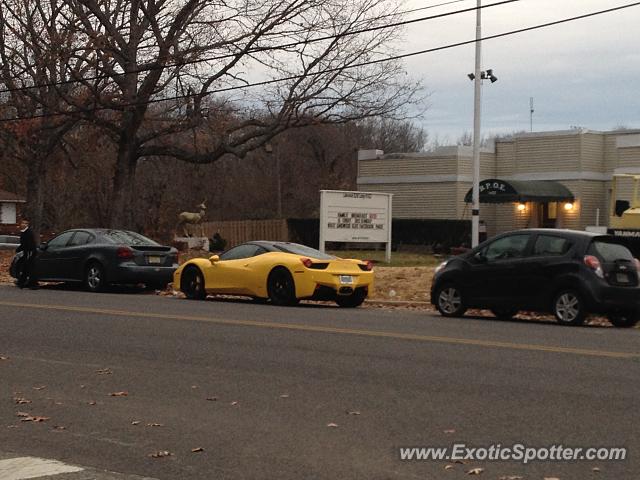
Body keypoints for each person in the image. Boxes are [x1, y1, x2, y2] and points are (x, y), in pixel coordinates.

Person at [16, 218, 39, 289]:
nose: (24, 224)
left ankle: (34, 284)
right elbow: (23, 243)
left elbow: (29, 244)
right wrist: (19, 249)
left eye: (26, 223)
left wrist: (29, 251)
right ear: (20, 224)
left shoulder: (29, 232)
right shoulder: (23, 232)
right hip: (27, 252)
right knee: (25, 268)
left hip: (30, 252)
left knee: (30, 268)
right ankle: (21, 282)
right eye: (23, 223)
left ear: (27, 225)